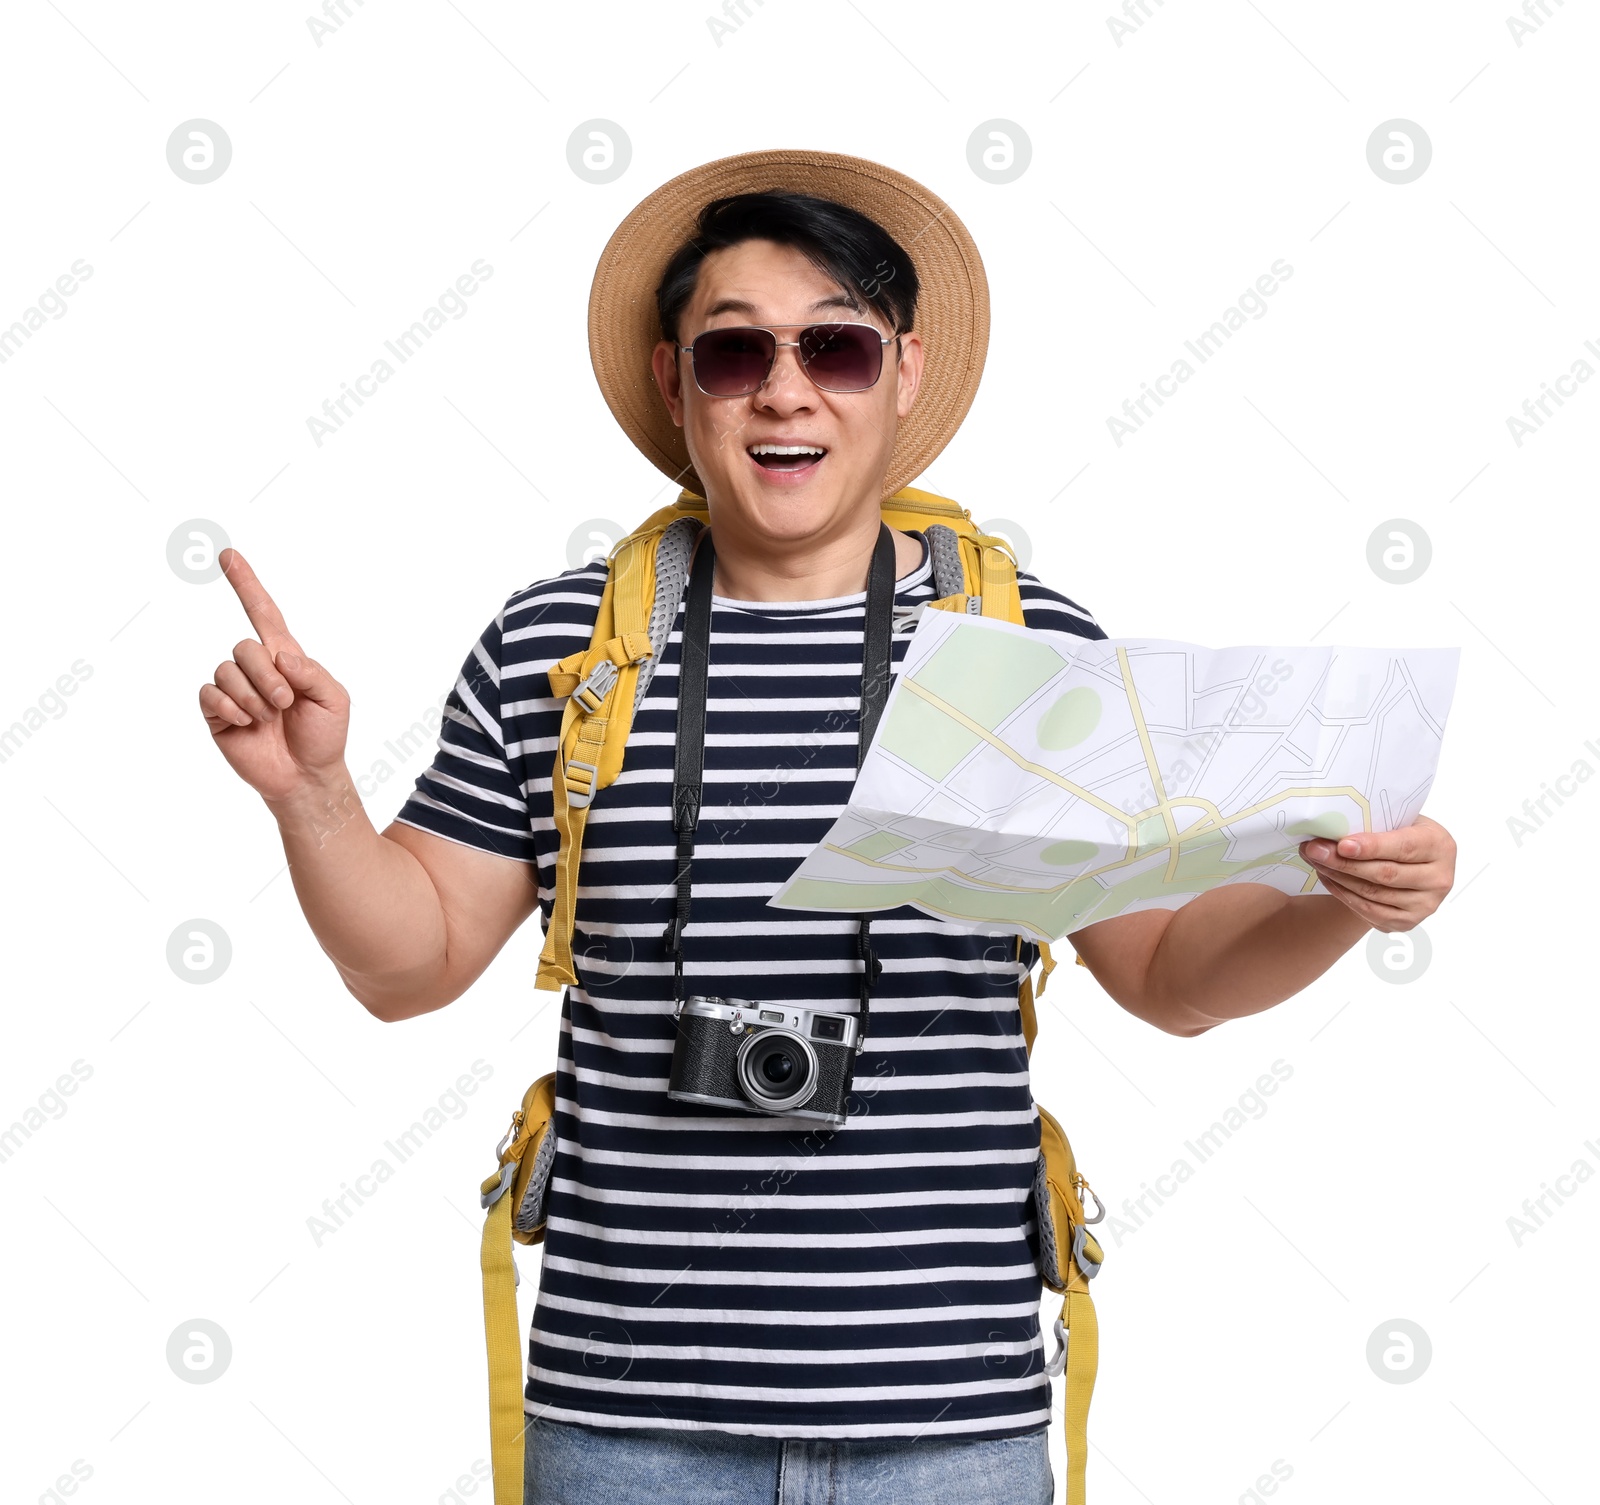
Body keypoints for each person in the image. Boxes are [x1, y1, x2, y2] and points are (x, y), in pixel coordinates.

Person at [197, 151, 1456, 1505]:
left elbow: (1169, 978)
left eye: (836, 349)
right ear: (680, 385)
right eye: (735, 353)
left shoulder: (1022, 649)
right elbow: (411, 964)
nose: (785, 389)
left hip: (948, 1423)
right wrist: (312, 793)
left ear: (904, 372)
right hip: (629, 1428)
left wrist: (1341, 897)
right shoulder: (559, 648)